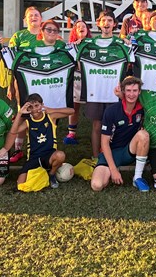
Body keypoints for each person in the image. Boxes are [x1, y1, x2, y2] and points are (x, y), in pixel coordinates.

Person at [70, 10, 130, 159]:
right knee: (97, 126)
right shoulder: (88, 45)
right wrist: (78, 44)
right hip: (95, 93)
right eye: (104, 20)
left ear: (115, 24)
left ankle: (112, 155)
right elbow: (77, 64)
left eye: (110, 20)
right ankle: (96, 157)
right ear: (98, 23)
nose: (107, 23)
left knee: (115, 126)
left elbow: (128, 65)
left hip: (114, 93)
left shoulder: (122, 44)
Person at [92, 76, 150, 192]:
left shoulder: (142, 108)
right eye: (128, 91)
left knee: (143, 135)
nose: (131, 94)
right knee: (97, 185)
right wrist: (113, 170)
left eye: (134, 91)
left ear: (139, 92)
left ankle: (137, 177)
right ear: (123, 91)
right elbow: (104, 143)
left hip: (129, 151)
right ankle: (107, 170)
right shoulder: (111, 111)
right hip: (111, 153)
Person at [9, 93, 74, 189]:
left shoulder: (50, 117)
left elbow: (71, 111)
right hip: (33, 158)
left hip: (49, 155)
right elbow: (13, 131)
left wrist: (52, 110)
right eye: (31, 107)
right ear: (28, 109)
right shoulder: (28, 122)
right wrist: (20, 113)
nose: (34, 109)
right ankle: (42, 173)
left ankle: (51, 174)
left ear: (42, 105)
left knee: (60, 155)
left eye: (37, 105)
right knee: (20, 185)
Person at [64, 18, 91, 145]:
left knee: (96, 106)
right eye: (78, 26)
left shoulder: (93, 44)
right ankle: (71, 133)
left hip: (91, 79)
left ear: (87, 30)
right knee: (75, 106)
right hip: (77, 78)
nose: (81, 27)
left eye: (83, 25)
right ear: (75, 31)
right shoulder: (70, 46)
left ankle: (101, 131)